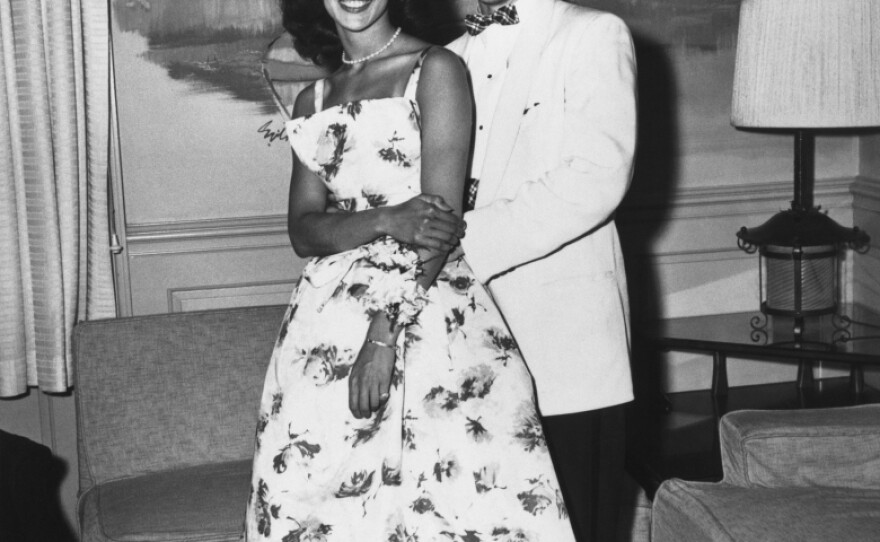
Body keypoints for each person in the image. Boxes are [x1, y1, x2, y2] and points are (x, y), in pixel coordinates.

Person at [244, 1, 577, 541]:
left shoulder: (437, 69)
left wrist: (382, 335)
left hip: (422, 308)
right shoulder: (314, 98)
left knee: (457, 504)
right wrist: (388, 218)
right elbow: (303, 231)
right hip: (323, 327)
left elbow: (439, 222)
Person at [447, 1, 638, 540]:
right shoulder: (449, 57)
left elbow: (598, 175)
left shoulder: (594, 34)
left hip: (568, 351)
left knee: (580, 526)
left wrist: (461, 244)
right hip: (467, 348)